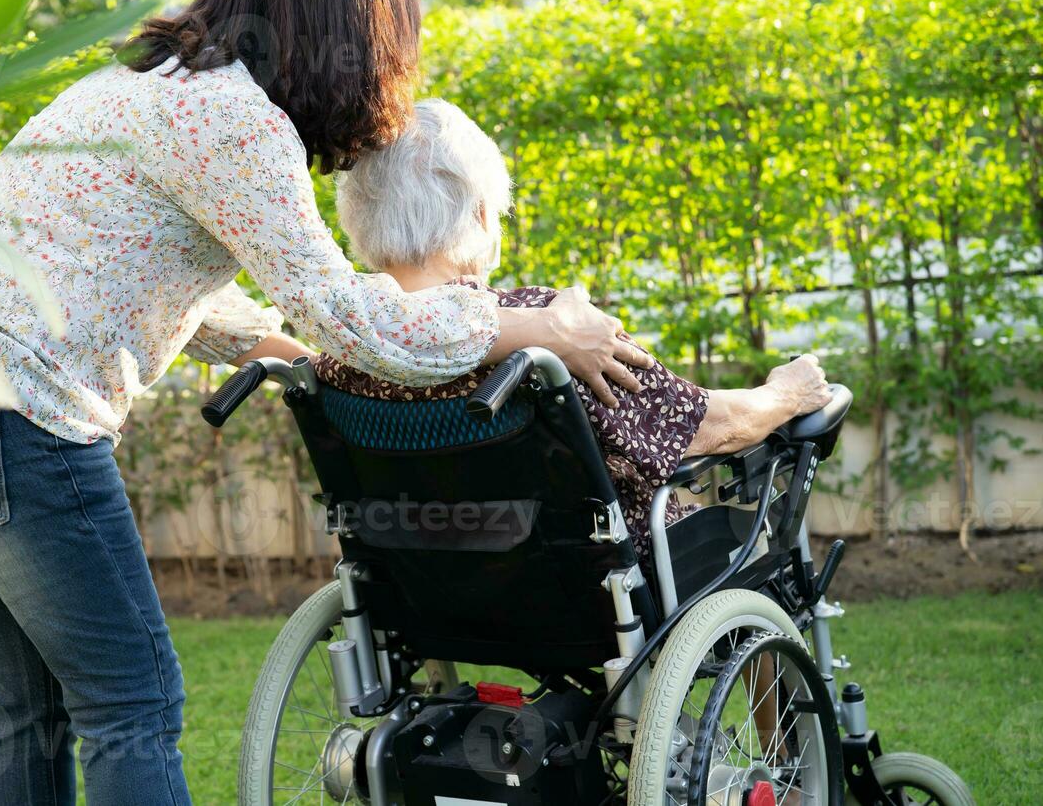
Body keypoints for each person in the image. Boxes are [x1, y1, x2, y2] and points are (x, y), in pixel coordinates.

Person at [0, 0, 650, 805]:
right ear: (345, 18)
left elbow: (117, 273)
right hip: (15, 410)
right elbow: (360, 321)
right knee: (133, 702)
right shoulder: (237, 122)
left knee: (24, 706)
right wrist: (540, 326)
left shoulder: (146, 81)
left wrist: (268, 339)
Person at [318, 98, 834, 561]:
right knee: (751, 551)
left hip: (430, 594)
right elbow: (710, 426)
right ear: (478, 214)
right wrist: (787, 393)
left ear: (358, 217)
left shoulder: (342, 354)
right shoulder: (548, 330)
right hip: (594, 593)